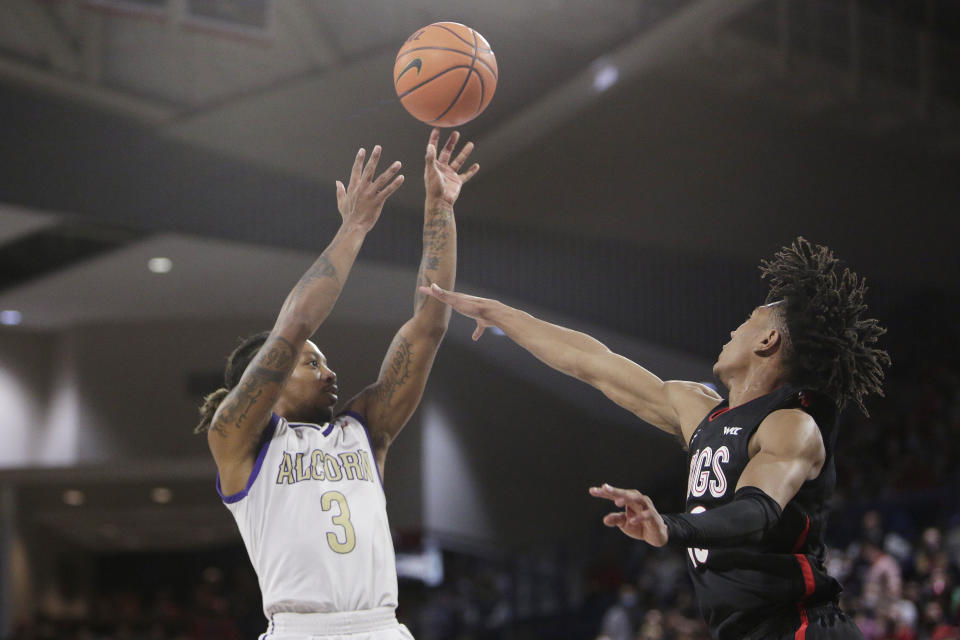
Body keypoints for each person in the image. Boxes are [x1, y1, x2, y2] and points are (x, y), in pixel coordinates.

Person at [419, 238, 889, 640]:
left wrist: (673, 526)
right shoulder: (700, 411)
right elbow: (592, 362)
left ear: (767, 340)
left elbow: (757, 510)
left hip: (803, 628)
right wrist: (501, 314)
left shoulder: (792, 425)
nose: (732, 330)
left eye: (746, 320)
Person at [194, 129, 478, 640]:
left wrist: (440, 209)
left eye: (324, 363)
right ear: (269, 378)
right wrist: (356, 226)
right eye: (310, 364)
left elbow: (429, 326)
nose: (330, 372)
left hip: (381, 628)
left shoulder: (364, 430)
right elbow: (295, 325)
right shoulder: (236, 441)